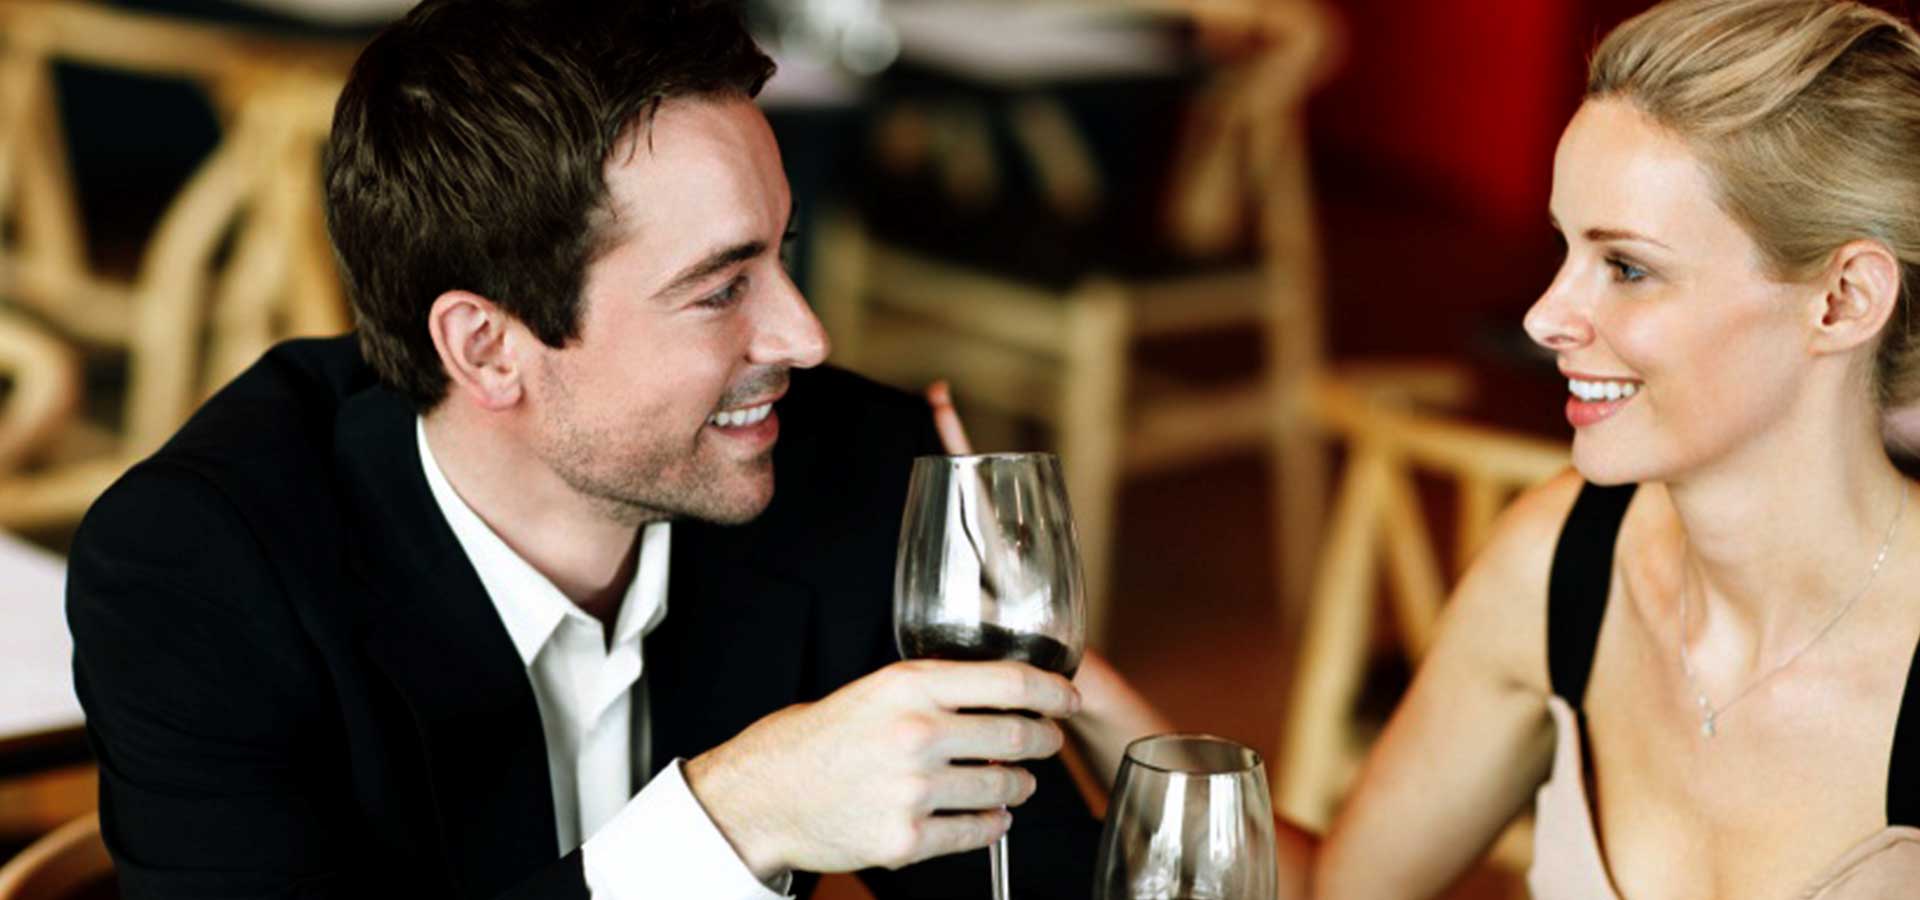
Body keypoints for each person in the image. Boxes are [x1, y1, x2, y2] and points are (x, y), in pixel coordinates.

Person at [64, 1, 1102, 897]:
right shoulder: (198, 574)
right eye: (720, 289)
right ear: (487, 348)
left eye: (781, 252)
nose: (805, 337)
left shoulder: (859, 467)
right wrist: (734, 818)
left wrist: (1114, 727)